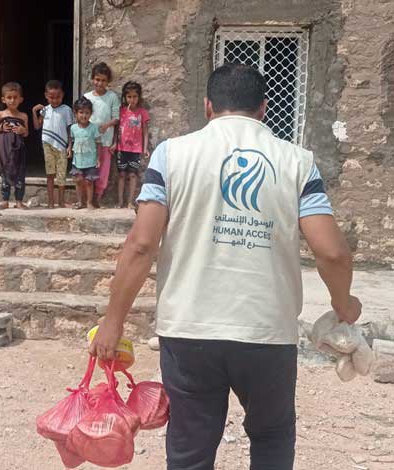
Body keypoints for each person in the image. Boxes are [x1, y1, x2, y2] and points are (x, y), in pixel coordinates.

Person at [90, 64, 362, 470]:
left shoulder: (171, 155)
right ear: (264, 108)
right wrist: (344, 305)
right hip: (266, 330)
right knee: (271, 439)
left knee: (191, 448)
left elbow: (142, 244)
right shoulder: (297, 161)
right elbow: (333, 253)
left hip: (189, 330)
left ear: (208, 106)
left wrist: (113, 322)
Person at [33, 79, 75, 208]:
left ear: (62, 95)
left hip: (62, 146)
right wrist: (34, 112)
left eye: (58, 97)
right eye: (51, 97)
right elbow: (37, 126)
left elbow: (70, 129)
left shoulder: (66, 110)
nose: (55, 100)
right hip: (47, 145)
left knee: (61, 175)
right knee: (50, 174)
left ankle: (61, 202)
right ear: (46, 96)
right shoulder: (45, 110)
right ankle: (51, 202)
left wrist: (70, 146)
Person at [84, 62, 121, 208]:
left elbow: (117, 118)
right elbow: (81, 116)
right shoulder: (87, 97)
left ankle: (98, 197)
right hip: (89, 141)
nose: (100, 83)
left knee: (103, 171)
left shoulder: (112, 97)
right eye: (97, 79)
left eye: (103, 80)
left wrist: (106, 126)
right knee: (88, 168)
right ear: (92, 79)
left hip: (105, 141)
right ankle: (87, 198)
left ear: (108, 81)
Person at [0, 81, 30, 210]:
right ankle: (5, 201)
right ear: (3, 99)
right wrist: (1, 128)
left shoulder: (23, 116)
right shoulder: (1, 114)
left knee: (20, 176)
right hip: (5, 150)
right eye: (9, 97)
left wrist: (23, 130)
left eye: (15, 97)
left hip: (19, 150)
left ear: (21, 99)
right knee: (5, 176)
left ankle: (19, 201)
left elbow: (27, 133)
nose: (12, 100)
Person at [114, 81, 150, 210]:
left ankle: (130, 201)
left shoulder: (142, 113)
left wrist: (145, 148)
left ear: (139, 97)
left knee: (133, 175)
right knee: (121, 175)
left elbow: (145, 132)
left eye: (135, 96)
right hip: (121, 148)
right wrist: (114, 143)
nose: (132, 99)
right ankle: (120, 201)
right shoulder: (121, 111)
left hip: (135, 149)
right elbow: (116, 129)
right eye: (129, 96)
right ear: (125, 97)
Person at [68, 96, 101, 210]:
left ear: (91, 114)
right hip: (77, 160)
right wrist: (69, 149)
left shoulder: (93, 128)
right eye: (81, 112)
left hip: (90, 160)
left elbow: (98, 143)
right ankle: (79, 202)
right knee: (78, 181)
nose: (84, 115)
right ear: (76, 114)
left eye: (87, 113)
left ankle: (89, 202)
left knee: (89, 182)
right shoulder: (73, 128)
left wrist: (98, 158)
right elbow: (71, 139)